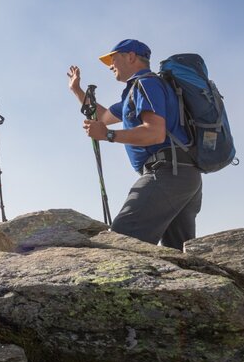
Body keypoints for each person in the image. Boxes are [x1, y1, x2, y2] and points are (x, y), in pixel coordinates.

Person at [67, 39, 199, 250]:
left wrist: (109, 135)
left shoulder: (146, 84)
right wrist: (76, 90)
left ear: (131, 56)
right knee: (176, 251)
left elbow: (155, 133)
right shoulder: (137, 91)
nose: (110, 65)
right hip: (184, 175)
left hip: (166, 173)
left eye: (113, 59)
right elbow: (103, 116)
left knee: (121, 242)